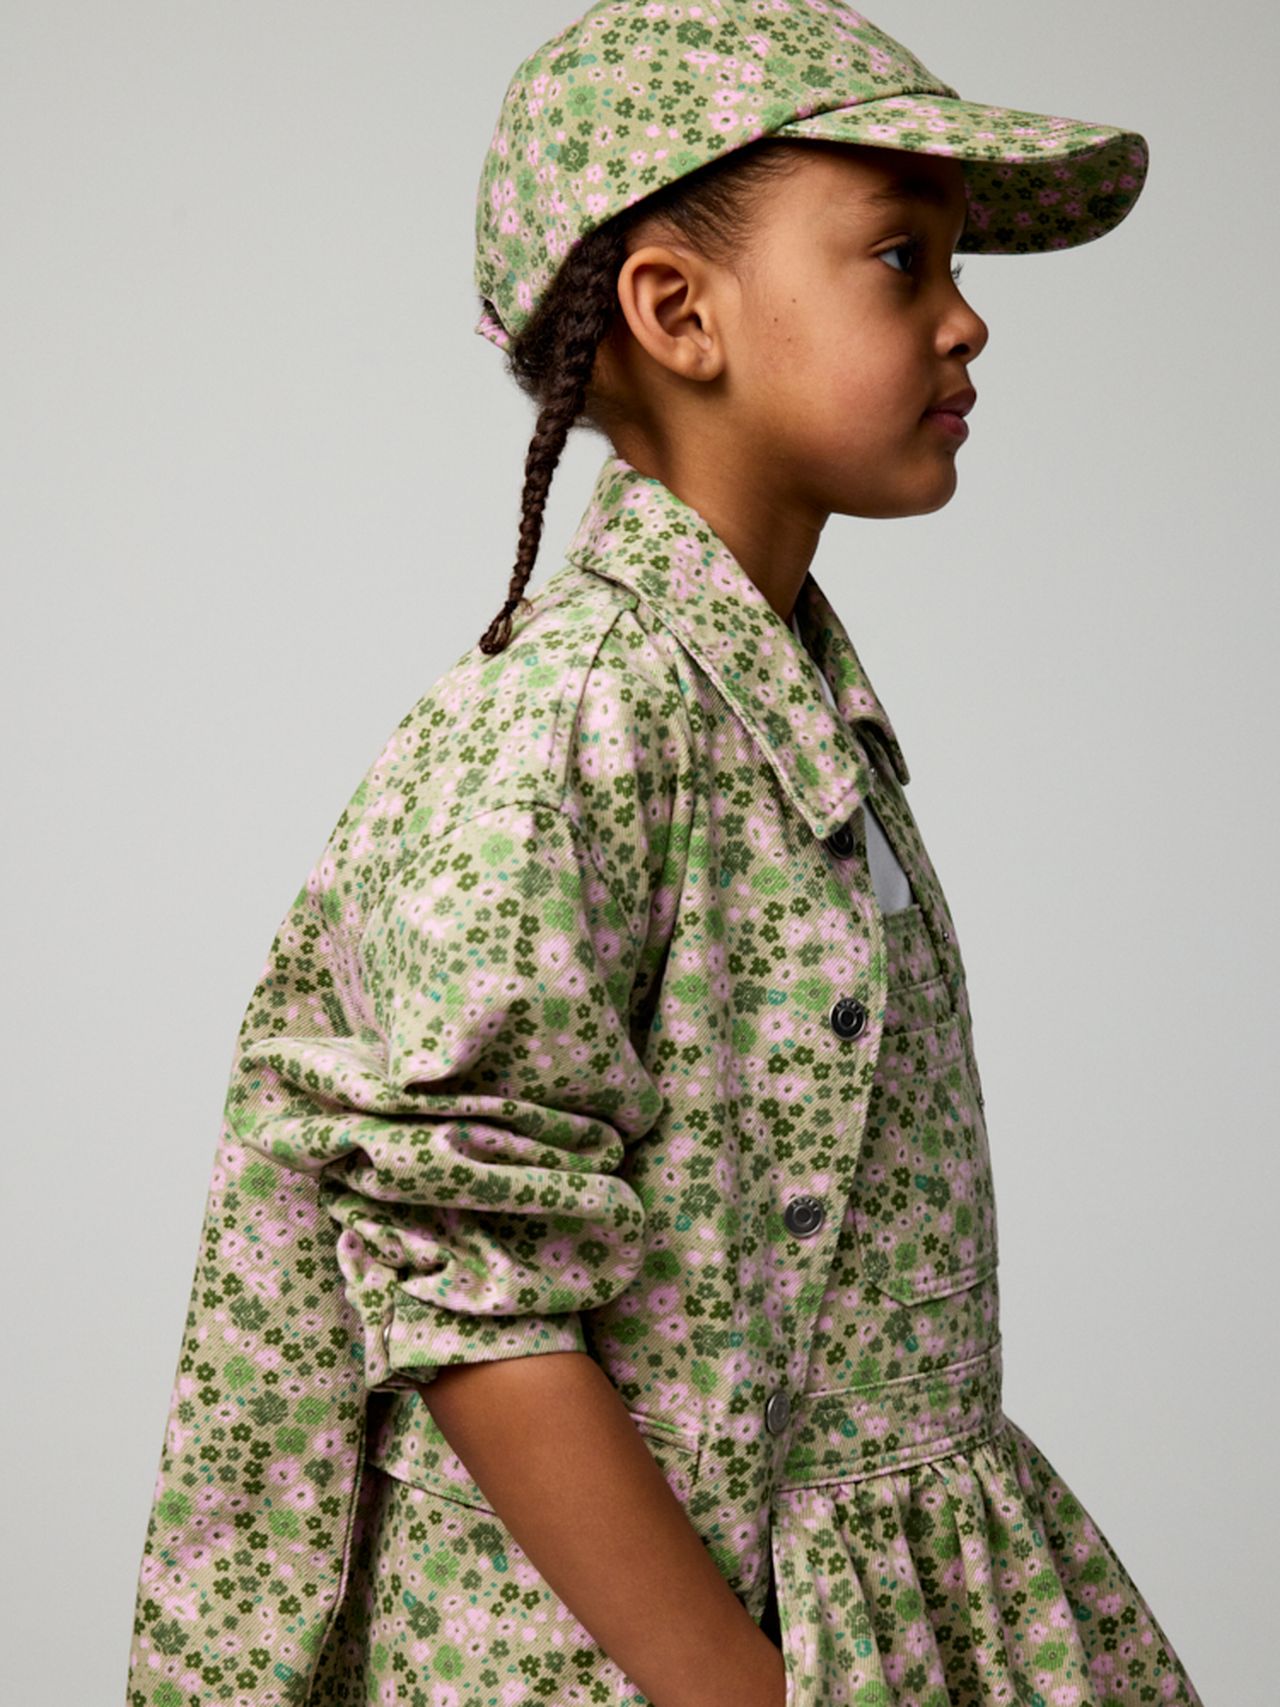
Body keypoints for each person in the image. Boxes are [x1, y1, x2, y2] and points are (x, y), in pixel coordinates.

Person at [124, 4, 1205, 1705]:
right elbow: (469, 1295)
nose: (967, 313)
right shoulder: (575, 721)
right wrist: (741, 1690)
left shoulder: (775, 698)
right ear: (677, 313)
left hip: (858, 1590)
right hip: (668, 1654)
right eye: (903, 258)